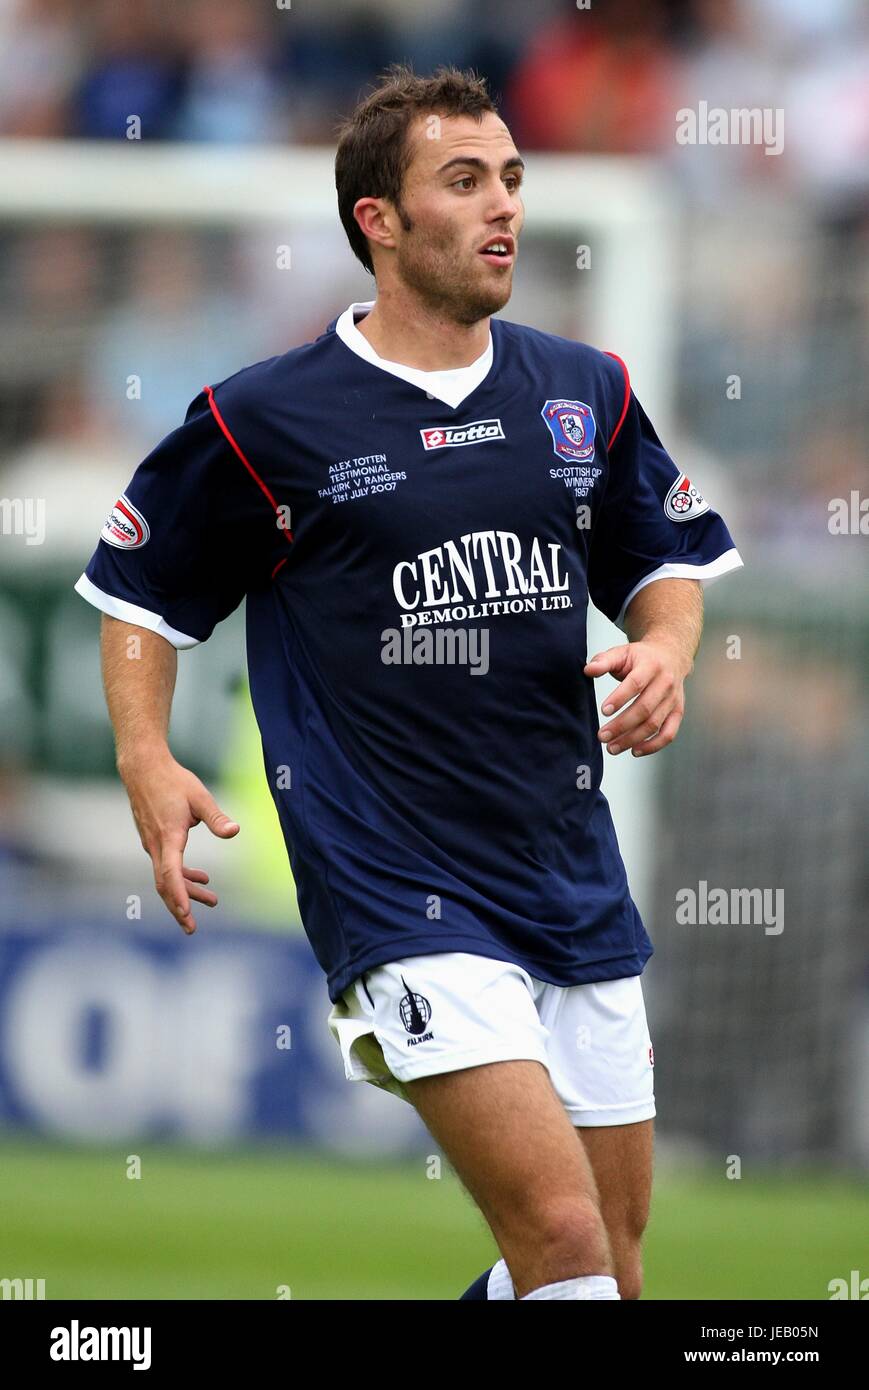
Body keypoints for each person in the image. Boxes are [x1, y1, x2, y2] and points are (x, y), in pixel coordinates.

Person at [74, 63, 743, 1301]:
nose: (502, 207)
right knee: (567, 1250)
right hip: (401, 888)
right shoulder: (264, 419)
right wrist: (143, 754)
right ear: (377, 221)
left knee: (613, 1272)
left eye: (510, 178)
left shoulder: (579, 390)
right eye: (462, 180)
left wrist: (666, 648)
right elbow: (138, 592)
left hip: (565, 868)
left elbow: (667, 565)